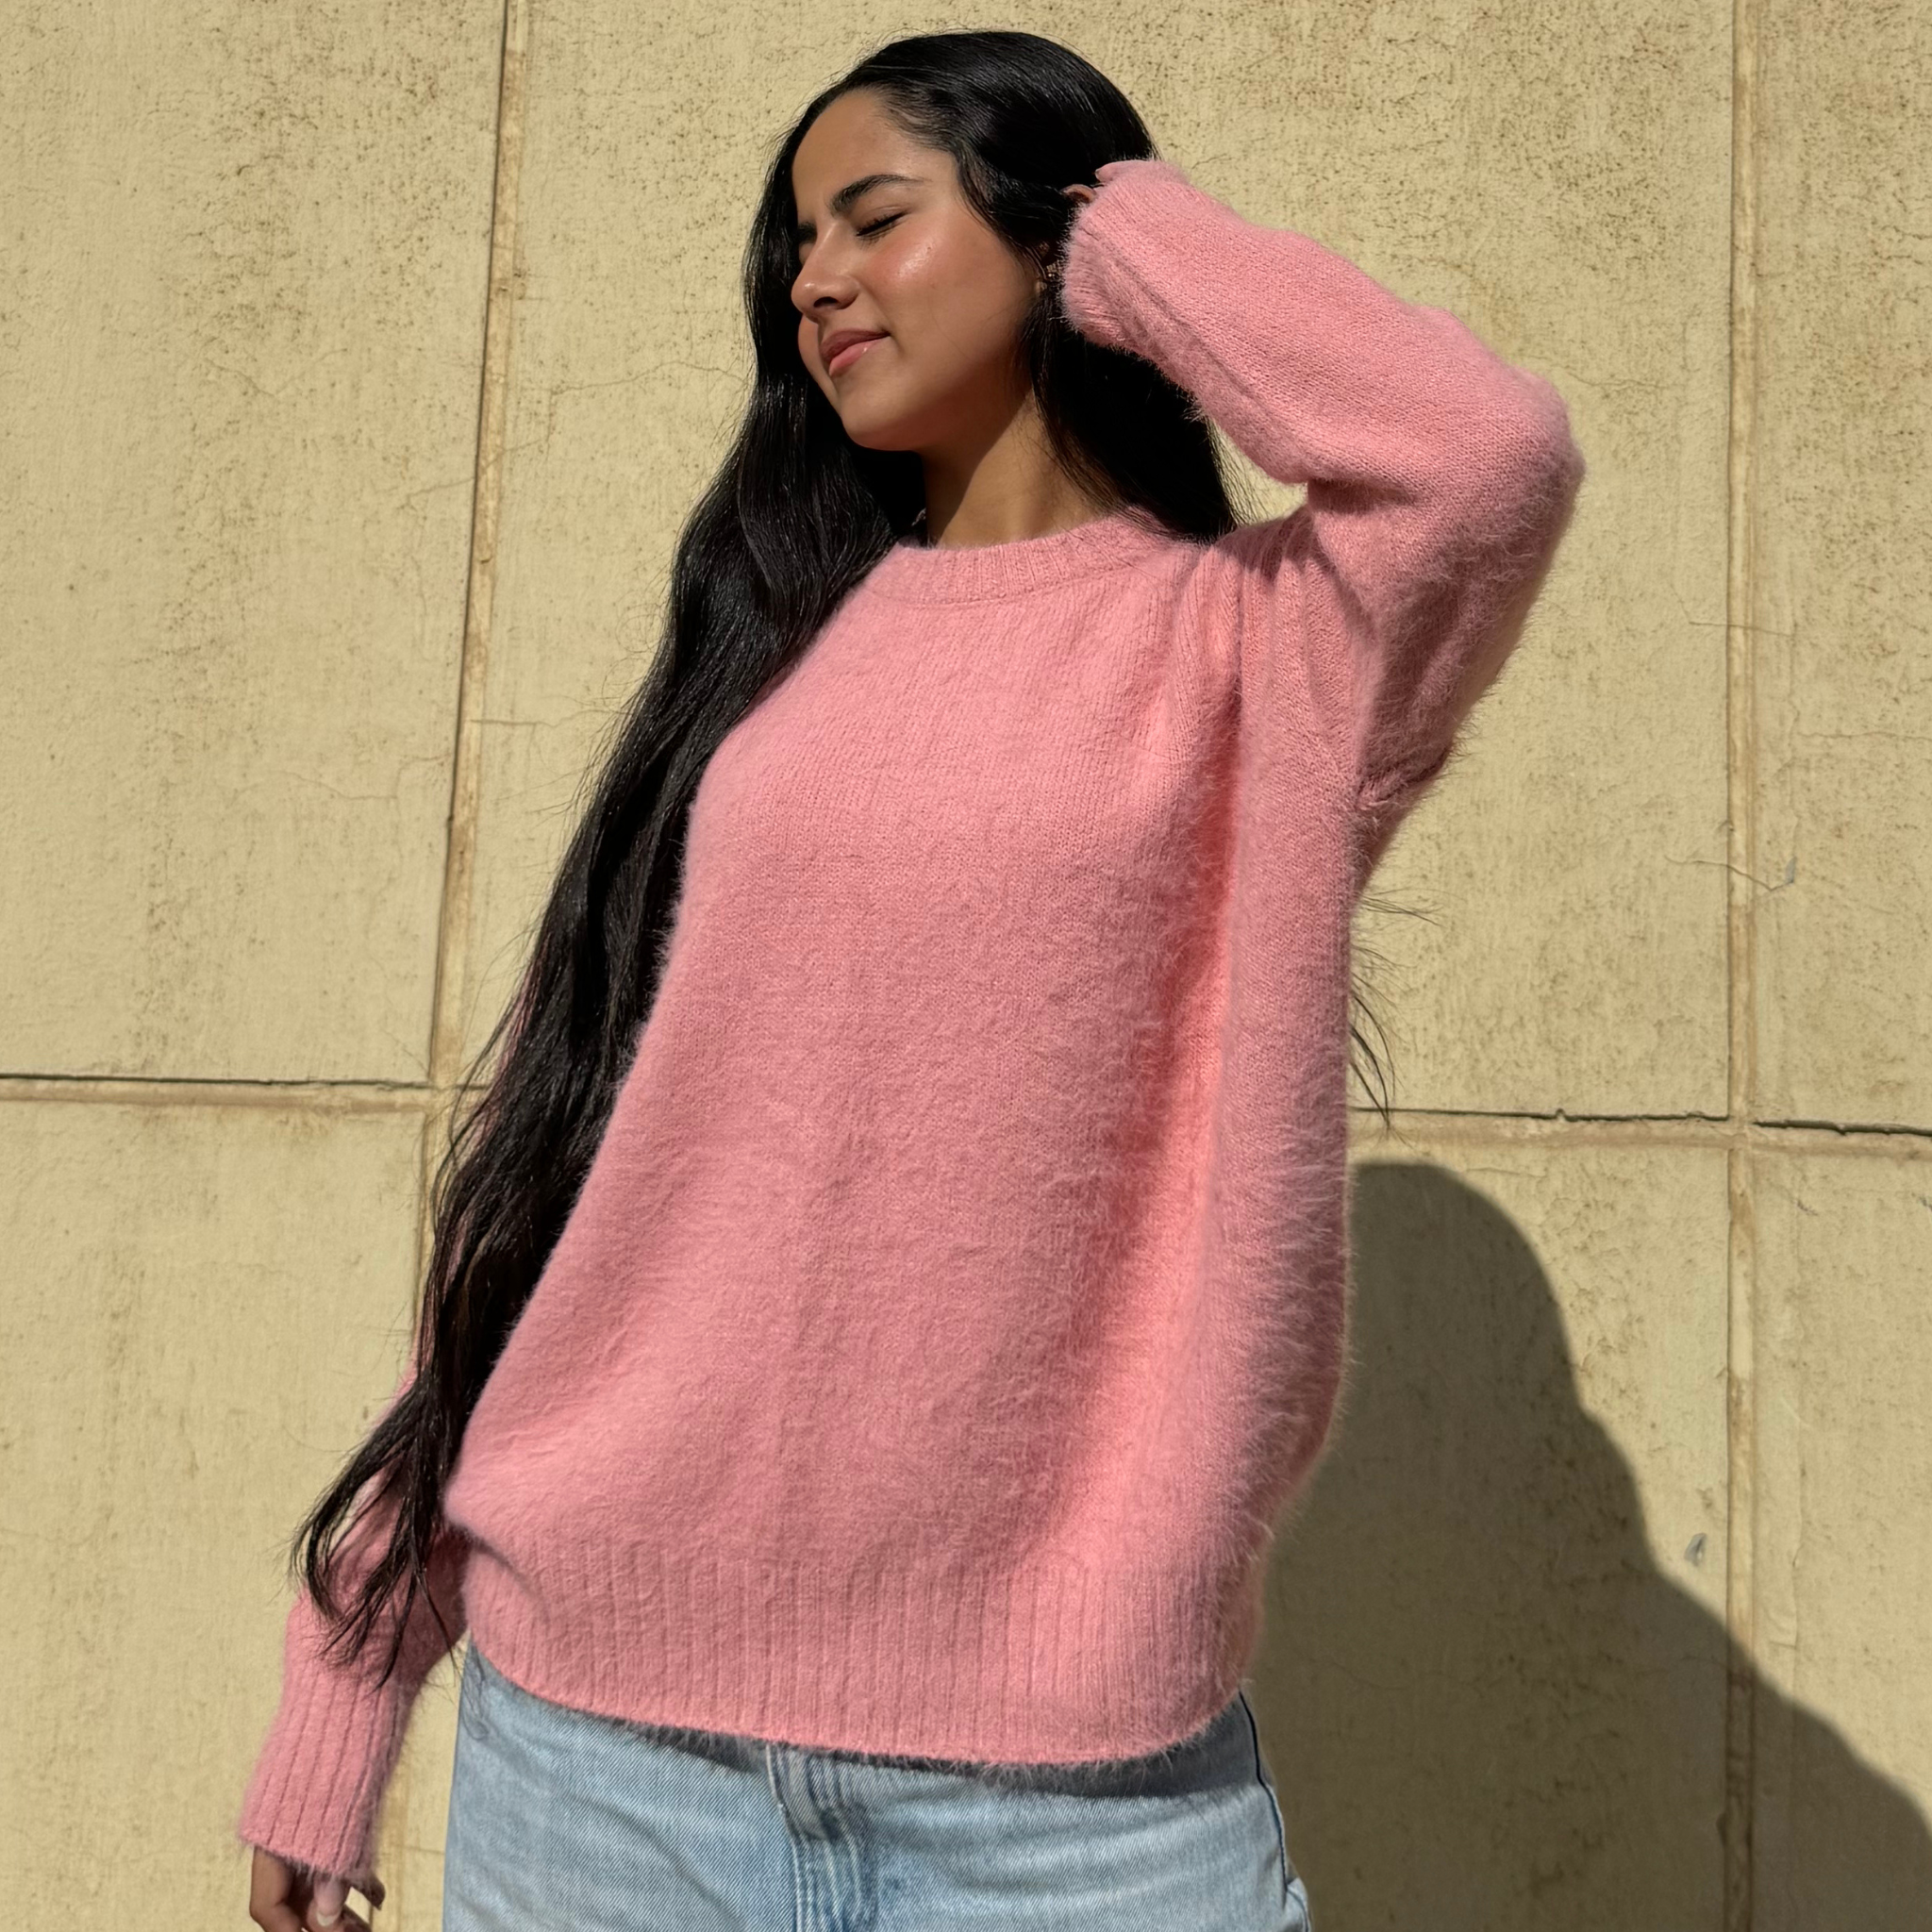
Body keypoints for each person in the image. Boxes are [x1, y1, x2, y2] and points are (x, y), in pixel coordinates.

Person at [240, 27, 1585, 1932]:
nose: (812, 276)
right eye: (794, 241)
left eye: (875, 216)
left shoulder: (1260, 664)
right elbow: (548, 1196)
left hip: (1079, 1804)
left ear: (1052, 242)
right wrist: (352, 1671)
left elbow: (1483, 458)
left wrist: (1123, 236)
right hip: (608, 1764)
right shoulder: (754, 669)